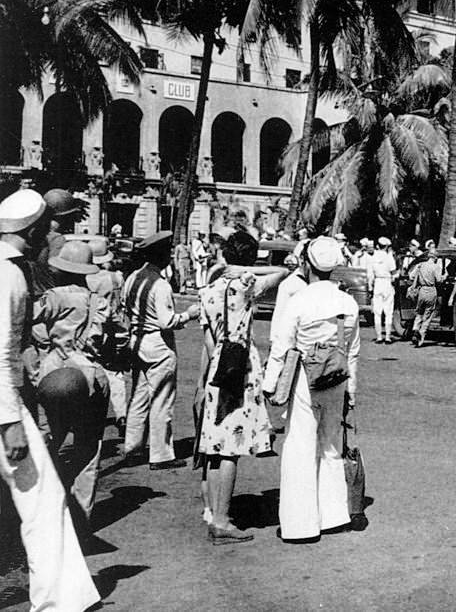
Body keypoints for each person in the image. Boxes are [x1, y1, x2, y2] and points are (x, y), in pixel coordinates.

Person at [0, 189, 100, 611]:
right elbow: (2, 351)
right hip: (4, 405)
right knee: (42, 500)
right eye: (52, 228)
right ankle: (58, 600)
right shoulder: (10, 275)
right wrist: (10, 422)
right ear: (38, 230)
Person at [263, 237, 364, 541]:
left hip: (305, 379)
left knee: (300, 445)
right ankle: (333, 515)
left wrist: (270, 386)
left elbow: (282, 348)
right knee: (331, 443)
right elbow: (354, 351)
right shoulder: (347, 302)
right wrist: (352, 389)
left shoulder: (299, 301)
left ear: (307, 265)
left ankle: (300, 524)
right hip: (337, 378)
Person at [195, 231, 288, 544]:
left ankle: (211, 510)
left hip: (217, 364)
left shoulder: (208, 290)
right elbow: (283, 272)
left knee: (212, 441)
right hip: (242, 365)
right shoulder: (246, 285)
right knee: (230, 447)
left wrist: (225, 268)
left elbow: (208, 342)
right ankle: (222, 519)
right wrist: (249, 269)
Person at [32, 241, 111, 527]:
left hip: (56, 369)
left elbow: (28, 322)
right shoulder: (98, 300)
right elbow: (115, 338)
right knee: (89, 447)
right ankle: (81, 520)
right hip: (91, 372)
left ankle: (45, 512)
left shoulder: (53, 297)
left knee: (48, 441)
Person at [122, 231, 201, 469]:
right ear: (160, 255)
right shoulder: (161, 285)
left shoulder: (132, 278)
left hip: (136, 340)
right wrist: (189, 314)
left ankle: (133, 447)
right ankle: (161, 454)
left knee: (138, 397)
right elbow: (167, 321)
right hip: (158, 343)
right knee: (161, 399)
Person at [87, 237, 128, 434]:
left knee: (91, 371)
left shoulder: (86, 279)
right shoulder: (116, 278)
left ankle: (92, 415)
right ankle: (121, 415)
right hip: (114, 332)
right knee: (116, 374)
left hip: (92, 331)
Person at [33, 188, 88, 296]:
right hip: (50, 296)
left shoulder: (34, 235)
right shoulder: (57, 239)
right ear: (64, 217)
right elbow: (57, 271)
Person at [366, 237, 397, 344]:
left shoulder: (372, 258)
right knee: (388, 312)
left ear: (378, 246)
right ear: (387, 247)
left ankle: (379, 336)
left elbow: (370, 275)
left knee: (377, 312)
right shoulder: (389, 258)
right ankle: (388, 337)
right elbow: (394, 273)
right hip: (387, 283)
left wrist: (370, 288)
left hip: (378, 283)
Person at [410, 247, 443, 347]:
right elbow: (438, 280)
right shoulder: (436, 267)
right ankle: (421, 337)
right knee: (428, 315)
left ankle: (415, 329)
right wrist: (444, 276)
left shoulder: (421, 265)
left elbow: (412, 276)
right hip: (431, 290)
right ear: (435, 257)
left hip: (422, 290)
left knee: (419, 312)